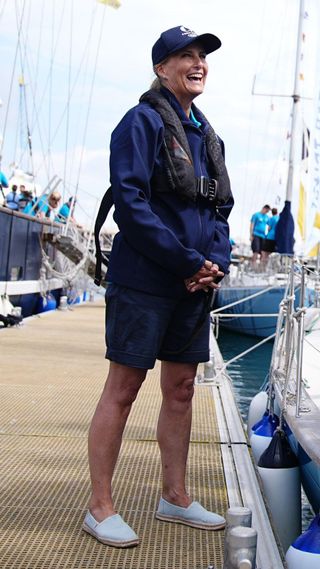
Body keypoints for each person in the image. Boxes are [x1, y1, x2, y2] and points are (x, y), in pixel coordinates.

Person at [84, 25, 233, 548]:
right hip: (146, 280)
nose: (198, 64)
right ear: (160, 68)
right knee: (123, 389)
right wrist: (186, 261)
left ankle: (175, 495)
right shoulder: (140, 122)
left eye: (202, 57)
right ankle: (100, 507)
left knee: (182, 389)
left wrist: (215, 262)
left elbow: (218, 209)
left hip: (194, 285)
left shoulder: (207, 136)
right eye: (185, 56)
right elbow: (132, 205)